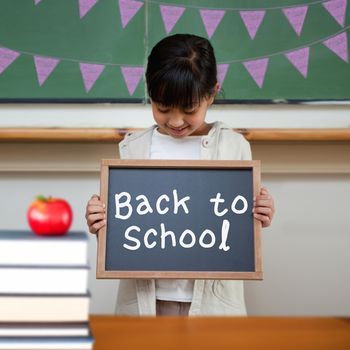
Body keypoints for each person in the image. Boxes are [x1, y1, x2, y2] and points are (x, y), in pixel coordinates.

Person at [85, 34, 275, 316]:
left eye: (189, 110)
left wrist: (261, 213)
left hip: (212, 307)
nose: (175, 121)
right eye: (162, 108)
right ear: (150, 93)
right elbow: (126, 237)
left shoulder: (234, 148)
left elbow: (239, 230)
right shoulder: (133, 149)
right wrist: (101, 223)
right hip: (146, 304)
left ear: (211, 94)